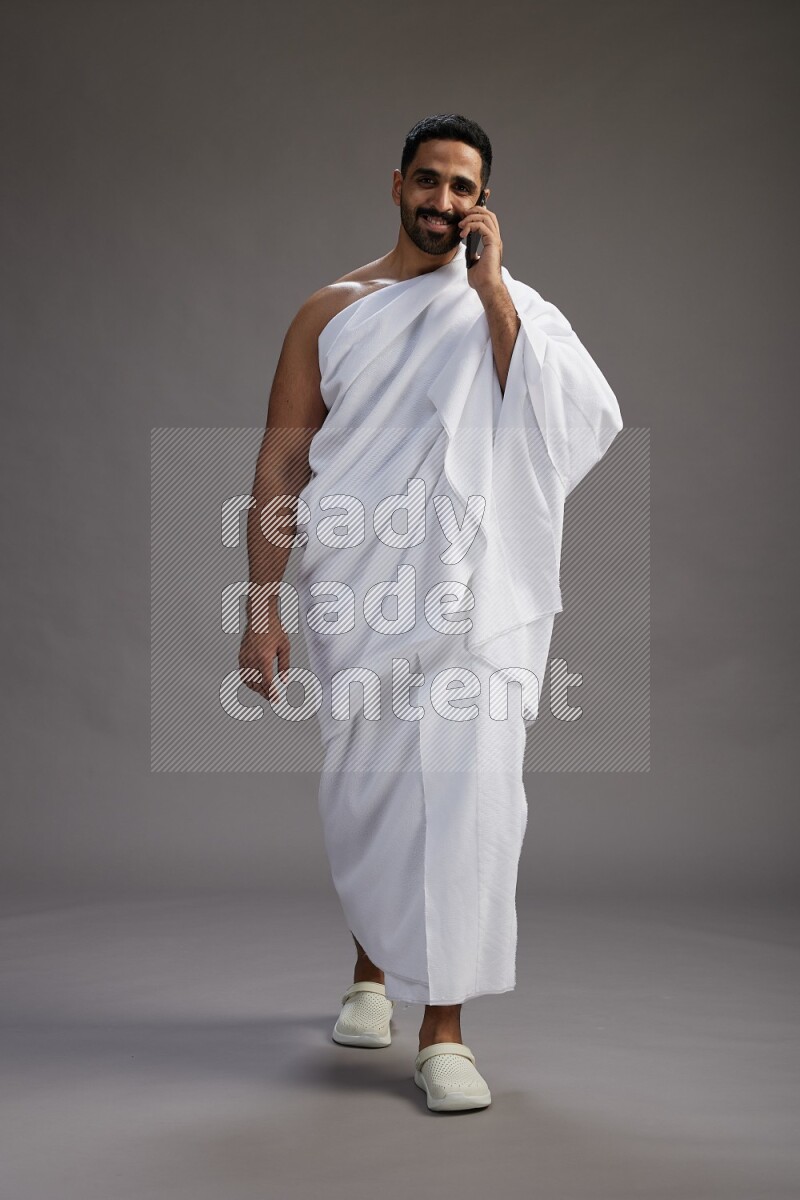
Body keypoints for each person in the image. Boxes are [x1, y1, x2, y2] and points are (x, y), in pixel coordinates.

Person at [239, 113, 623, 1112]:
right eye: (430, 181)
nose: (444, 202)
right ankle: (370, 972)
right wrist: (260, 607)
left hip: (470, 598)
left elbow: (561, 420)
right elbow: (281, 465)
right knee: (371, 790)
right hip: (359, 587)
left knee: (464, 794)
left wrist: (491, 287)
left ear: (483, 202)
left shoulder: (508, 308)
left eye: (464, 188)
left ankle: (442, 1029)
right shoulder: (331, 311)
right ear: (397, 182)